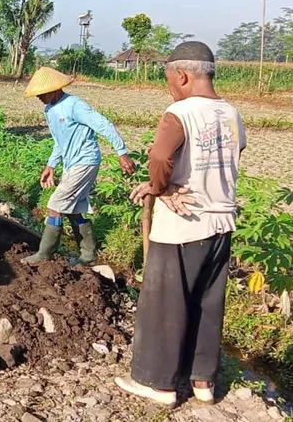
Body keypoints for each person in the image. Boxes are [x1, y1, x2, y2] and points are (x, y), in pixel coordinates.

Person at [116, 42, 245, 407]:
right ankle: (202, 382)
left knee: (165, 304)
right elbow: (235, 153)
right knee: (208, 300)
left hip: (183, 224)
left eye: (170, 79)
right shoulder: (232, 113)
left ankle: (159, 385)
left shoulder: (180, 112)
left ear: (183, 75)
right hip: (222, 222)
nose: (170, 87)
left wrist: (161, 188)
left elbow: (159, 156)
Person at [21, 67, 135, 266]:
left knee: (55, 205)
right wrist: (51, 165)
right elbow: (59, 141)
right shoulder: (49, 110)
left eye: (42, 93)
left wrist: (121, 152)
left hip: (86, 161)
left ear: (55, 89)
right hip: (71, 163)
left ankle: (44, 254)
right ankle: (88, 254)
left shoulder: (74, 105)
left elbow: (103, 124)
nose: (39, 97)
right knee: (73, 209)